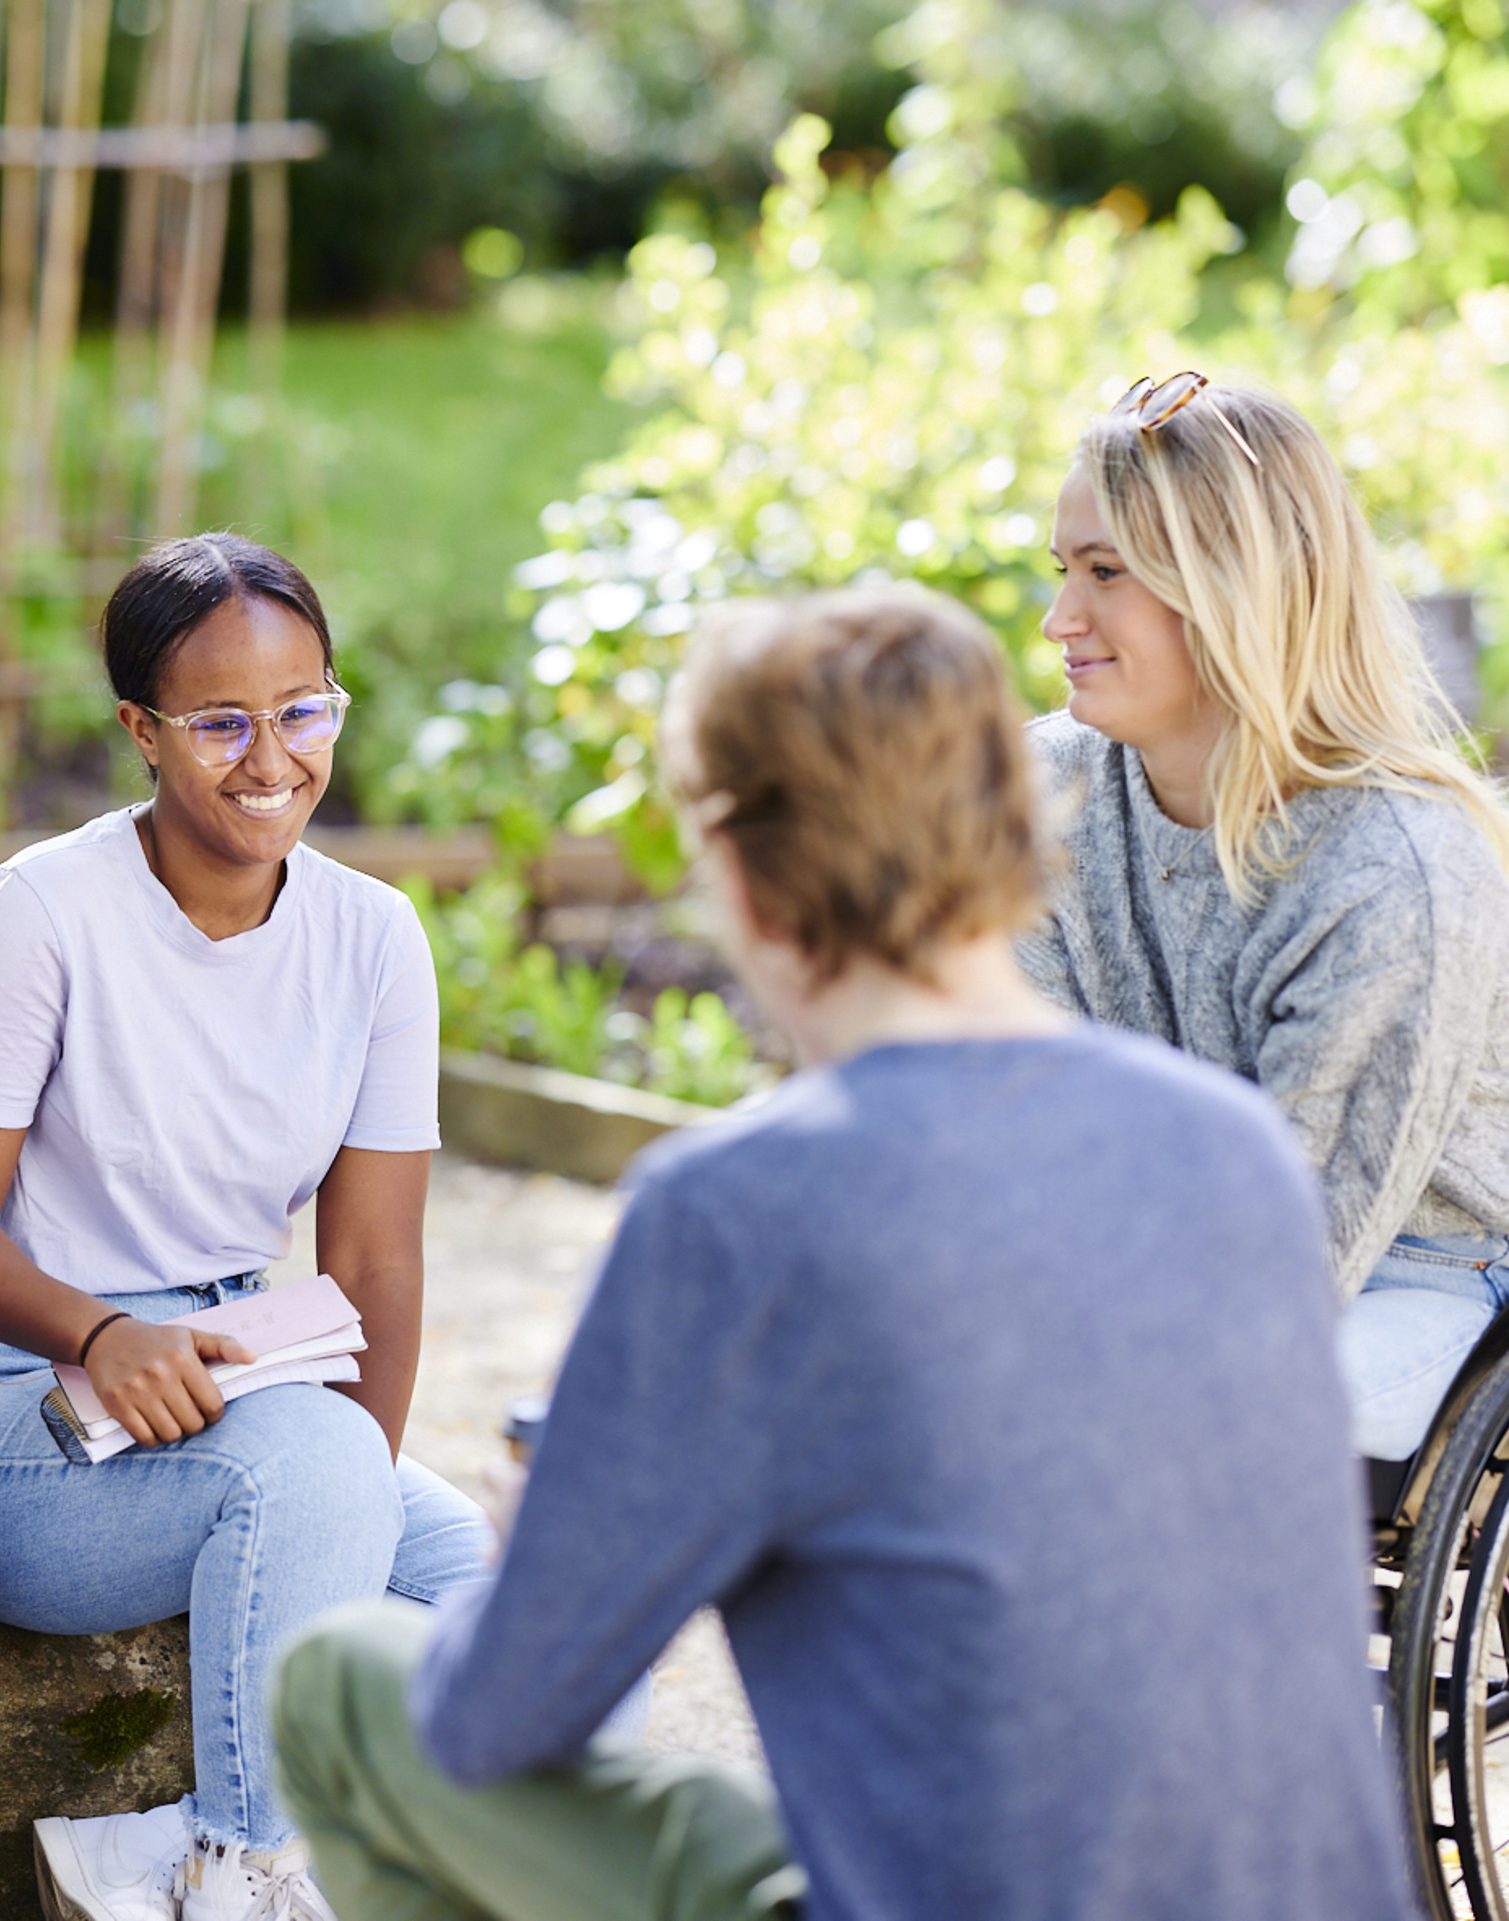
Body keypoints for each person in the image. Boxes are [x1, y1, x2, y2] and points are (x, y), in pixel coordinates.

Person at [271, 585, 1419, 1921]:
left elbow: (497, 1719)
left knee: (342, 1686)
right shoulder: (1232, 1147)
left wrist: (542, 1538)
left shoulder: (739, 1207)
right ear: (1015, 819)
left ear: (738, 870)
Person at [0, 534, 492, 1921]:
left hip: (238, 1392)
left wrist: (340, 1500)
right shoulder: (38, 917)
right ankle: (239, 1875)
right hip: (3, 1403)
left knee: (510, 1614)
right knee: (316, 1471)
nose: (270, 758)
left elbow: (376, 1262)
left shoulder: (374, 938)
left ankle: (144, 1858)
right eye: (220, 722)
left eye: (303, 711)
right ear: (141, 731)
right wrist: (102, 1333)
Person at [1022, 374, 1509, 1461]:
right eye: (1064, 569)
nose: (1061, 618)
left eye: (1106, 572)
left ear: (1235, 589)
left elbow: (1305, 1227)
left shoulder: (1395, 865)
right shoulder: (1042, 795)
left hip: (1433, 1266)